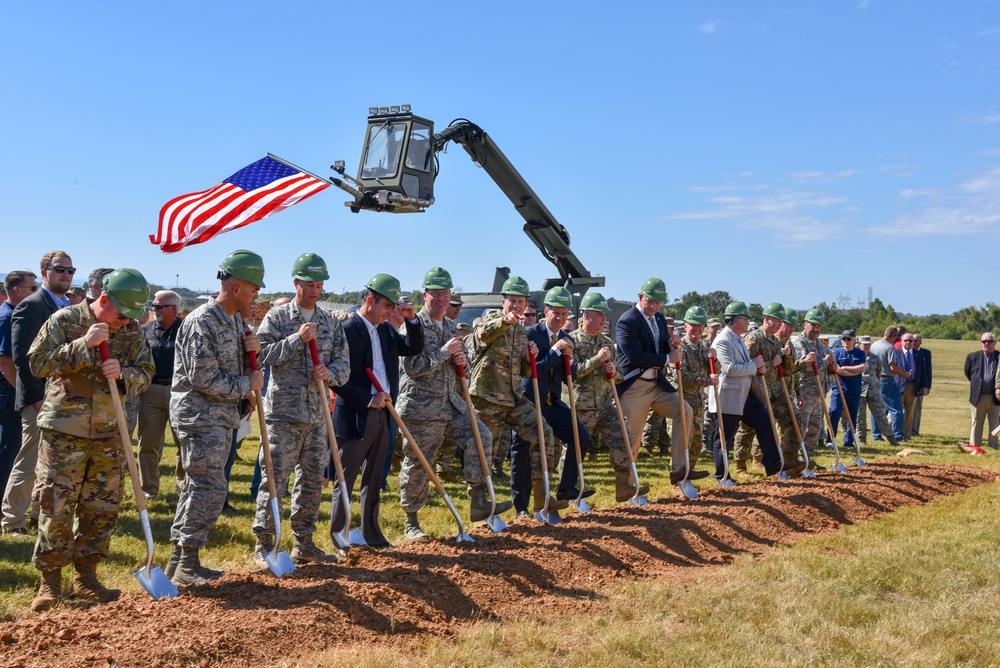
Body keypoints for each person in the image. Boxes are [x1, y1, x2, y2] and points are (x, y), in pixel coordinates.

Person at [27, 269, 154, 611]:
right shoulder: (65, 320)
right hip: (64, 432)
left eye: (131, 316)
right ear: (105, 299)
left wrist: (125, 375)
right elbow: (37, 363)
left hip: (110, 433)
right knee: (55, 506)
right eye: (121, 313)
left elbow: (146, 371)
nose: (124, 321)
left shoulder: (131, 330)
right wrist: (83, 346)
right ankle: (50, 582)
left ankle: (86, 578)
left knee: (102, 508)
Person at [167, 250, 265, 587]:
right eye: (254, 289)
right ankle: (187, 562)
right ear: (236, 288)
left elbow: (231, 363)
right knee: (208, 488)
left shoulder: (235, 319)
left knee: (201, 487)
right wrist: (245, 385)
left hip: (218, 416)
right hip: (200, 416)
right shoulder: (202, 321)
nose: (256, 296)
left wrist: (251, 347)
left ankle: (179, 562)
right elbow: (202, 378)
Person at [398, 268, 513, 540]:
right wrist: (443, 353)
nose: (441, 299)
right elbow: (412, 368)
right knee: (418, 464)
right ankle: (411, 521)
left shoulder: (450, 327)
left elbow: (460, 363)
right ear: (425, 295)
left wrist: (461, 361)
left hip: (450, 405)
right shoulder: (413, 326)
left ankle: (478, 500)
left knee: (481, 436)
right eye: (435, 294)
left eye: (445, 294)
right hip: (421, 408)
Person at [253, 253, 350, 566]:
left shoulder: (330, 322)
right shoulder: (278, 317)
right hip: (283, 415)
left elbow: (343, 365)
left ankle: (304, 543)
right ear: (296, 283)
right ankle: (265, 545)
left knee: (310, 482)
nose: (314, 290)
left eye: (319, 285)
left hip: (317, 415)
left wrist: (329, 374)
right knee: (274, 480)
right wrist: (297, 340)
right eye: (309, 284)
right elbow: (262, 354)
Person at [329, 274, 423, 548]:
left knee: (374, 478)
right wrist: (368, 399)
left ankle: (371, 533)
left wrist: (411, 320)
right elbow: (338, 378)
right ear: (370, 300)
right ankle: (340, 534)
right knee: (346, 476)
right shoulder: (346, 329)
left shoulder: (386, 329)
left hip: (385, 412)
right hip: (357, 414)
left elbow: (413, 347)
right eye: (387, 306)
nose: (391, 312)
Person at [469, 276, 558, 518]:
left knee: (543, 433)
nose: (517, 306)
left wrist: (531, 358)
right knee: (486, 450)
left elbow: (523, 370)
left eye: (521, 301)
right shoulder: (490, 320)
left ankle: (543, 498)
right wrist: (504, 321)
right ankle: (480, 503)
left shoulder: (521, 332)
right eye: (513, 301)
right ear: (503, 302)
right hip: (487, 398)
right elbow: (480, 336)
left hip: (513, 398)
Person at [3, 251, 74, 537]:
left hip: (63, 398)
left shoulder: (67, 306)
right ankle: (12, 520)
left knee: (54, 463)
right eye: (60, 270)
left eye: (70, 270)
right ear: (44, 272)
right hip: (39, 399)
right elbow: (21, 358)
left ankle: (36, 514)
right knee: (29, 461)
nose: (66, 275)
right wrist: (36, 399)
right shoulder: (31, 306)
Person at [615, 278, 702, 484]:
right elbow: (635, 356)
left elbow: (660, 347)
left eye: (658, 302)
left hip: (657, 384)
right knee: (633, 436)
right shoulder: (627, 321)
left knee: (685, 410)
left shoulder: (660, 319)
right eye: (650, 300)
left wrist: (671, 344)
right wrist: (667, 358)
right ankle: (627, 484)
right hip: (635, 386)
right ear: (640, 297)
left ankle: (679, 468)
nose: (653, 306)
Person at [513, 286, 592, 509]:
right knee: (523, 454)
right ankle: (521, 507)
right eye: (555, 313)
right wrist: (556, 351)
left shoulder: (566, 338)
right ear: (545, 312)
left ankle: (567, 487)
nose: (559, 318)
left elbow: (570, 377)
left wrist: (570, 358)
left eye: (564, 314)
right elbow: (532, 370)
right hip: (529, 403)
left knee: (579, 435)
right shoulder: (529, 334)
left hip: (552, 403)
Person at [566, 292, 648, 501]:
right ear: (586, 316)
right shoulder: (571, 341)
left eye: (604, 315)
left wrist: (612, 369)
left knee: (625, 436)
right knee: (575, 449)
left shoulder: (607, 342)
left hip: (604, 405)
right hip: (580, 405)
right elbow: (571, 372)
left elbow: (620, 374)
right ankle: (569, 488)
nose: (604, 319)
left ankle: (623, 486)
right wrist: (596, 360)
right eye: (599, 314)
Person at [709, 302, 792, 480]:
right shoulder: (722, 340)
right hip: (729, 396)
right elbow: (730, 369)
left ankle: (774, 465)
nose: (748, 323)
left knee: (765, 421)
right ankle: (722, 475)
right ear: (738, 320)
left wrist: (758, 367)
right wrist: (754, 366)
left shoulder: (738, 338)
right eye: (746, 319)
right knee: (724, 437)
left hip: (745, 394)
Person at [733, 303, 799, 474]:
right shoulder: (754, 338)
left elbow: (787, 369)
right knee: (747, 429)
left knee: (791, 421)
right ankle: (741, 466)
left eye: (780, 322)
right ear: (766, 319)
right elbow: (749, 366)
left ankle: (789, 460)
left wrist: (788, 356)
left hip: (775, 390)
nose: (779, 324)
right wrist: (772, 363)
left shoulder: (777, 342)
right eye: (776, 321)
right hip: (756, 391)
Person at [136, 289, 182, 498]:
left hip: (180, 391)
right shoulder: (144, 330)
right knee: (148, 443)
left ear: (173, 309)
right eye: (153, 305)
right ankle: (148, 488)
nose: (154, 309)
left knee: (184, 442)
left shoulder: (187, 329)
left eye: (159, 306)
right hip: (151, 391)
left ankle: (183, 486)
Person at [0, 271, 37, 506]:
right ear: (17, 290)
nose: (35, 293)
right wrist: (25, 392)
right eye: (32, 288)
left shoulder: (15, 314)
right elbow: (5, 362)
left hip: (13, 389)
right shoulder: (7, 317)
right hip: (9, 390)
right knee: (9, 447)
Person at [791, 308, 839, 469]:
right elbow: (807, 367)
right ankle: (795, 460)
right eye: (813, 325)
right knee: (801, 427)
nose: (816, 329)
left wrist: (831, 365)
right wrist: (826, 361)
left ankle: (807, 459)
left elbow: (827, 357)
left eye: (819, 326)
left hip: (819, 393)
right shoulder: (799, 343)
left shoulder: (818, 342)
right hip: (805, 392)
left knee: (815, 429)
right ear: (805, 325)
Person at [674, 306, 718, 470]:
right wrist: (706, 380)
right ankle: (679, 472)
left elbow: (715, 371)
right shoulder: (680, 347)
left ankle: (689, 471)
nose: (697, 329)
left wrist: (715, 360)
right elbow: (682, 377)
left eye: (700, 325)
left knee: (696, 444)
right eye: (693, 325)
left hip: (698, 403)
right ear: (685, 326)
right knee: (683, 441)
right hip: (683, 402)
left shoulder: (704, 347)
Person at [855, 335, 899, 447]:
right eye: (864, 344)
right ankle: (862, 440)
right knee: (860, 417)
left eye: (868, 344)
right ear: (859, 344)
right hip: (859, 391)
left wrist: (873, 384)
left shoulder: (875, 358)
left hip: (873, 391)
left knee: (880, 414)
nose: (866, 346)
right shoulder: (855, 357)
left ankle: (891, 438)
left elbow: (879, 373)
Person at [869, 326, 908, 443]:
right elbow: (893, 366)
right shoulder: (890, 347)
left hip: (874, 379)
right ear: (894, 337)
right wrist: (904, 374)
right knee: (896, 409)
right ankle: (897, 435)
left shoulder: (874, 345)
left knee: (877, 408)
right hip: (887, 379)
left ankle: (876, 435)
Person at [828, 329, 866, 449]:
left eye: (848, 339)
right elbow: (836, 370)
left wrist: (844, 368)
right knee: (834, 412)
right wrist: (853, 371)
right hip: (838, 389)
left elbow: (862, 368)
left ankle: (848, 442)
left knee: (852, 416)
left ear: (854, 340)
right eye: (843, 339)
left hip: (854, 389)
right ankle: (830, 439)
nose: (846, 341)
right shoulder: (837, 353)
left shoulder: (860, 353)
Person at [966, 332, 999, 449]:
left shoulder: (999, 356)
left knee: (995, 423)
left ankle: (994, 446)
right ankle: (974, 446)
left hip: (995, 397)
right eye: (984, 341)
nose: (986, 343)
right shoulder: (972, 357)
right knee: (976, 422)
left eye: (990, 341)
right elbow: (968, 373)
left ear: (995, 343)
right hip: (978, 396)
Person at [898, 333, 920, 440]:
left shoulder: (918, 354)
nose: (908, 343)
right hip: (898, 385)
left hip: (912, 385)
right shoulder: (896, 353)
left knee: (909, 412)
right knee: (896, 410)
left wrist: (925, 386)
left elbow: (925, 372)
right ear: (901, 341)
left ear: (914, 342)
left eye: (911, 341)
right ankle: (893, 433)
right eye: (905, 340)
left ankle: (906, 436)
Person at [912, 334, 932, 436]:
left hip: (920, 385)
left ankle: (914, 431)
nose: (913, 342)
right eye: (912, 340)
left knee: (917, 409)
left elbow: (928, 370)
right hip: (908, 384)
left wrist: (927, 386)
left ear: (920, 342)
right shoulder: (907, 352)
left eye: (916, 340)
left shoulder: (926, 353)